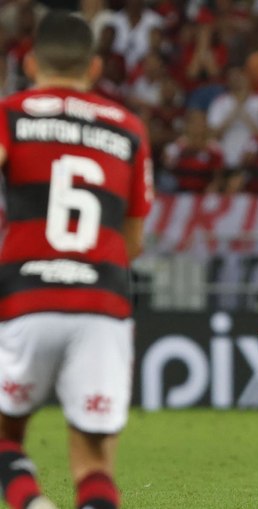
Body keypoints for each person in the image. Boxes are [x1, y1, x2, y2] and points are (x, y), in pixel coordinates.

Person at [0, 11, 153, 509]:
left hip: (26, 295)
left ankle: (30, 502)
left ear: (28, 62)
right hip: (103, 302)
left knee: (5, 437)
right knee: (93, 464)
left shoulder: (11, 114)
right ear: (94, 68)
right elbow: (134, 242)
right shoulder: (129, 129)